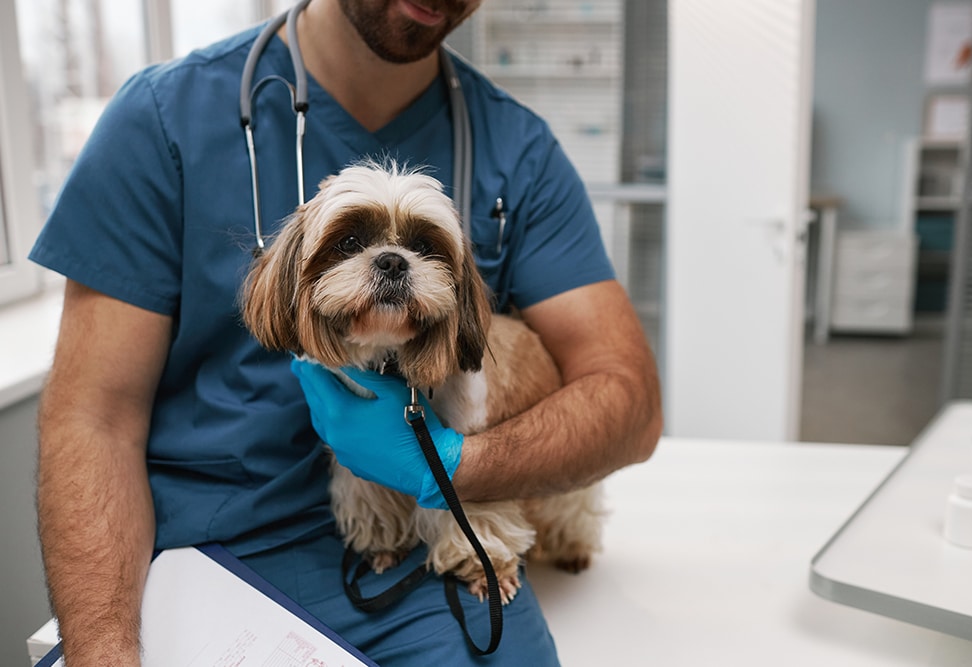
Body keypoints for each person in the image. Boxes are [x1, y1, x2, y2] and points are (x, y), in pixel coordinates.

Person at [30, 0, 663, 665]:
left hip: (422, 562)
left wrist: (451, 467)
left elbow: (628, 398)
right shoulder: (162, 122)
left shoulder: (520, 150)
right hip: (201, 560)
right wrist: (104, 652)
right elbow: (92, 420)